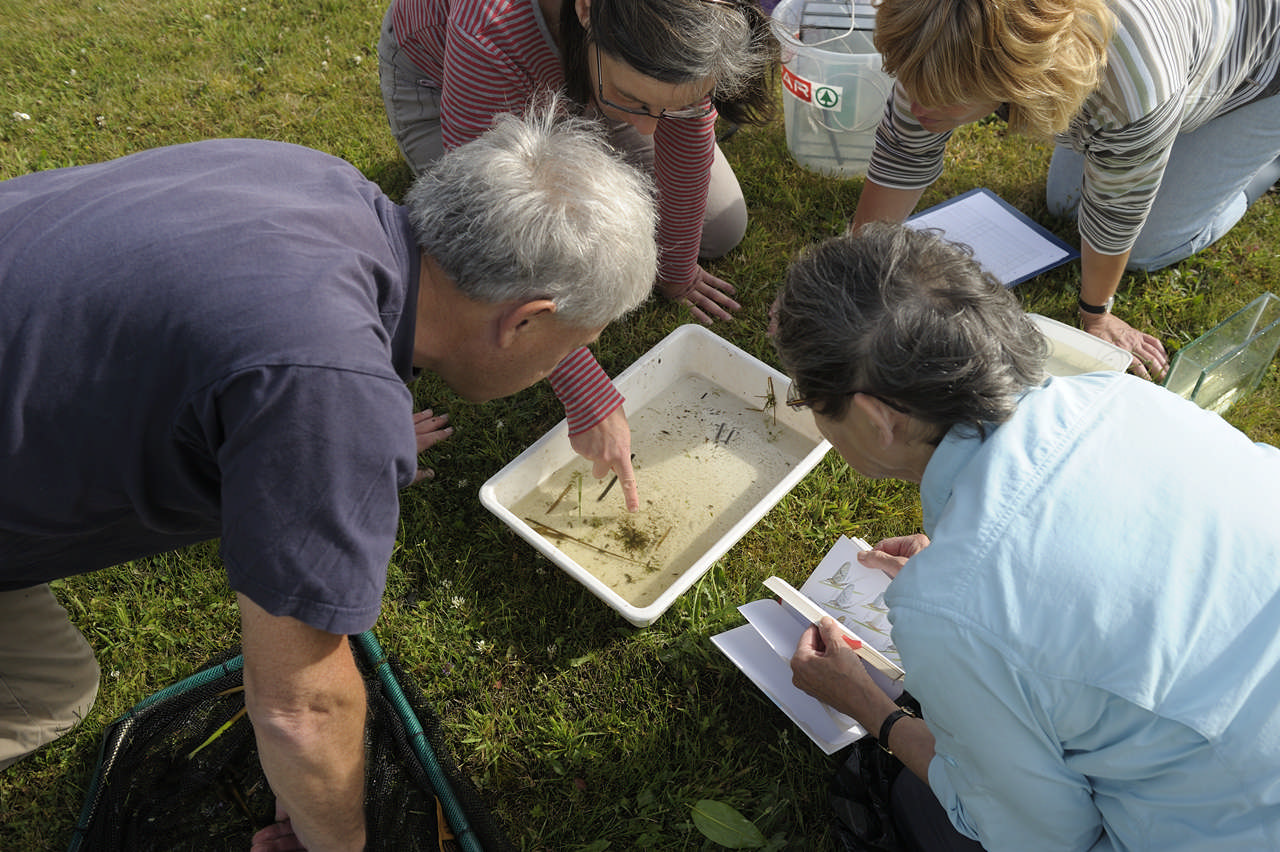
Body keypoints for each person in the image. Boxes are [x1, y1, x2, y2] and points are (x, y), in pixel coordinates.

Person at [0, 106, 657, 852]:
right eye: (571, 348)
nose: (555, 370)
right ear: (524, 321)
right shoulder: (329, 393)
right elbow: (299, 710)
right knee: (43, 697)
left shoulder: (316, 178)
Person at [774, 224, 1280, 851]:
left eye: (806, 397)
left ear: (878, 420)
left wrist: (871, 708)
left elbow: (1042, 838)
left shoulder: (947, 612)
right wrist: (970, 592)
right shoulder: (1126, 397)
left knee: (923, 805)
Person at [378, 0, 778, 511]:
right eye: (637, 102)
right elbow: (497, 226)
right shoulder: (491, 25)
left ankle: (637, 98)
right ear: (587, 11)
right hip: (446, 85)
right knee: (481, 257)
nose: (652, 132)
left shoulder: (684, 26)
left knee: (719, 226)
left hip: (597, 72)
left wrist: (678, 270)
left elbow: (684, 137)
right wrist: (587, 391)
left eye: (668, 109)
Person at [849, 0, 1280, 382]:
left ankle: (1264, 167)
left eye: (943, 100)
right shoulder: (940, 31)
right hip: (1165, 59)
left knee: (1147, 246)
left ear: (1019, 81)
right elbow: (903, 154)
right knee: (1067, 204)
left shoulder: (1131, 92)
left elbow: (1116, 213)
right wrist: (852, 275)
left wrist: (1097, 315)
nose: (917, 105)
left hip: (1257, 64)